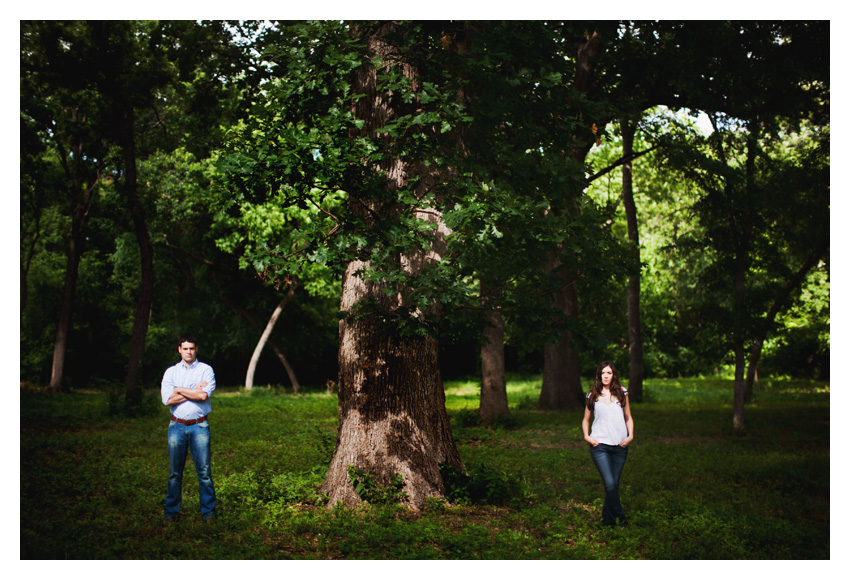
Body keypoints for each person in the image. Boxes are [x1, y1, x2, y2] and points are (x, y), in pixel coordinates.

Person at [161, 335, 218, 524]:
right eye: (185, 348)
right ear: (179, 349)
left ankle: (209, 514)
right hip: (176, 426)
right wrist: (192, 390)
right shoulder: (171, 372)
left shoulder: (206, 370)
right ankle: (171, 514)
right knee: (174, 473)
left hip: (200, 426)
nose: (188, 352)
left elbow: (203, 396)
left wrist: (179, 390)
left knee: (204, 473)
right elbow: (167, 400)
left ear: (196, 349)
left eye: (192, 348)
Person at [581, 360, 634, 527]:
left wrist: (630, 435)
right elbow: (585, 420)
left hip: (620, 446)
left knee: (613, 486)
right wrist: (587, 436)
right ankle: (622, 519)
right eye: (603, 373)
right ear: (599, 375)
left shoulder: (622, 393)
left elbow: (628, 417)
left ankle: (607, 523)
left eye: (609, 373)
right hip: (600, 446)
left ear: (613, 375)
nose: (606, 376)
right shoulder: (592, 395)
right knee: (610, 484)